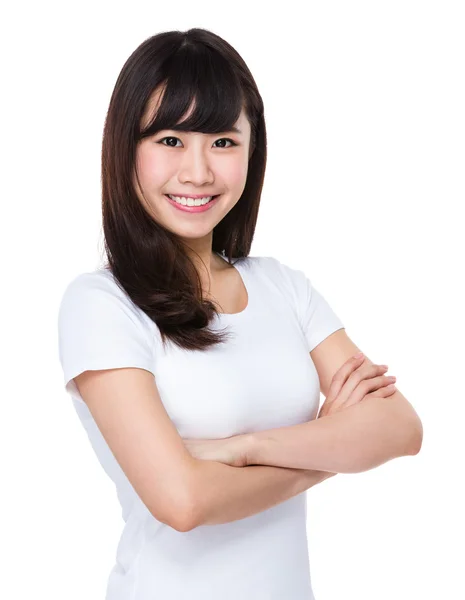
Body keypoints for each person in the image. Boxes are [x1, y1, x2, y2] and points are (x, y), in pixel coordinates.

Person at [57, 28, 423, 600]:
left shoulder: (284, 287)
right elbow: (182, 501)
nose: (198, 172)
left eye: (223, 142)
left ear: (253, 151)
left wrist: (244, 450)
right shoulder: (101, 305)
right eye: (171, 140)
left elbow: (401, 429)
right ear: (125, 146)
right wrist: (331, 447)